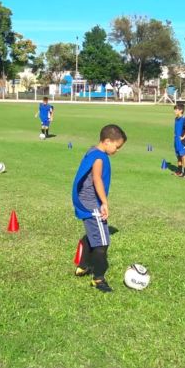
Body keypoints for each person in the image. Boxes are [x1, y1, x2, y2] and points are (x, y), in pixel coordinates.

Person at [72, 124, 127, 292]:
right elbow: (97, 180)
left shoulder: (93, 151)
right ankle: (98, 278)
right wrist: (104, 202)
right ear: (107, 141)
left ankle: (83, 266)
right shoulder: (99, 158)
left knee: (93, 235)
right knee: (102, 243)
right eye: (117, 147)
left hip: (86, 200)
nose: (117, 150)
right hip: (92, 203)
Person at [173, 102, 185, 178]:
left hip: (182, 142)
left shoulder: (184, 119)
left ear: (181, 110)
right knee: (178, 156)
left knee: (183, 156)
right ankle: (179, 171)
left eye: (176, 110)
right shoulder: (176, 118)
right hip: (176, 141)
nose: (174, 111)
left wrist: (183, 137)